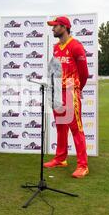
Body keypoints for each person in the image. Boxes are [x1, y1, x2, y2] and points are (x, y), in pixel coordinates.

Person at [44, 16, 89, 178]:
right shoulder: (56, 47)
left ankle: (83, 165)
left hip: (70, 90)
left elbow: (84, 73)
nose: (53, 29)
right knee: (61, 126)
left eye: (55, 26)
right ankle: (60, 158)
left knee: (76, 129)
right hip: (57, 90)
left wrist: (78, 88)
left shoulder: (76, 46)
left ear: (64, 27)